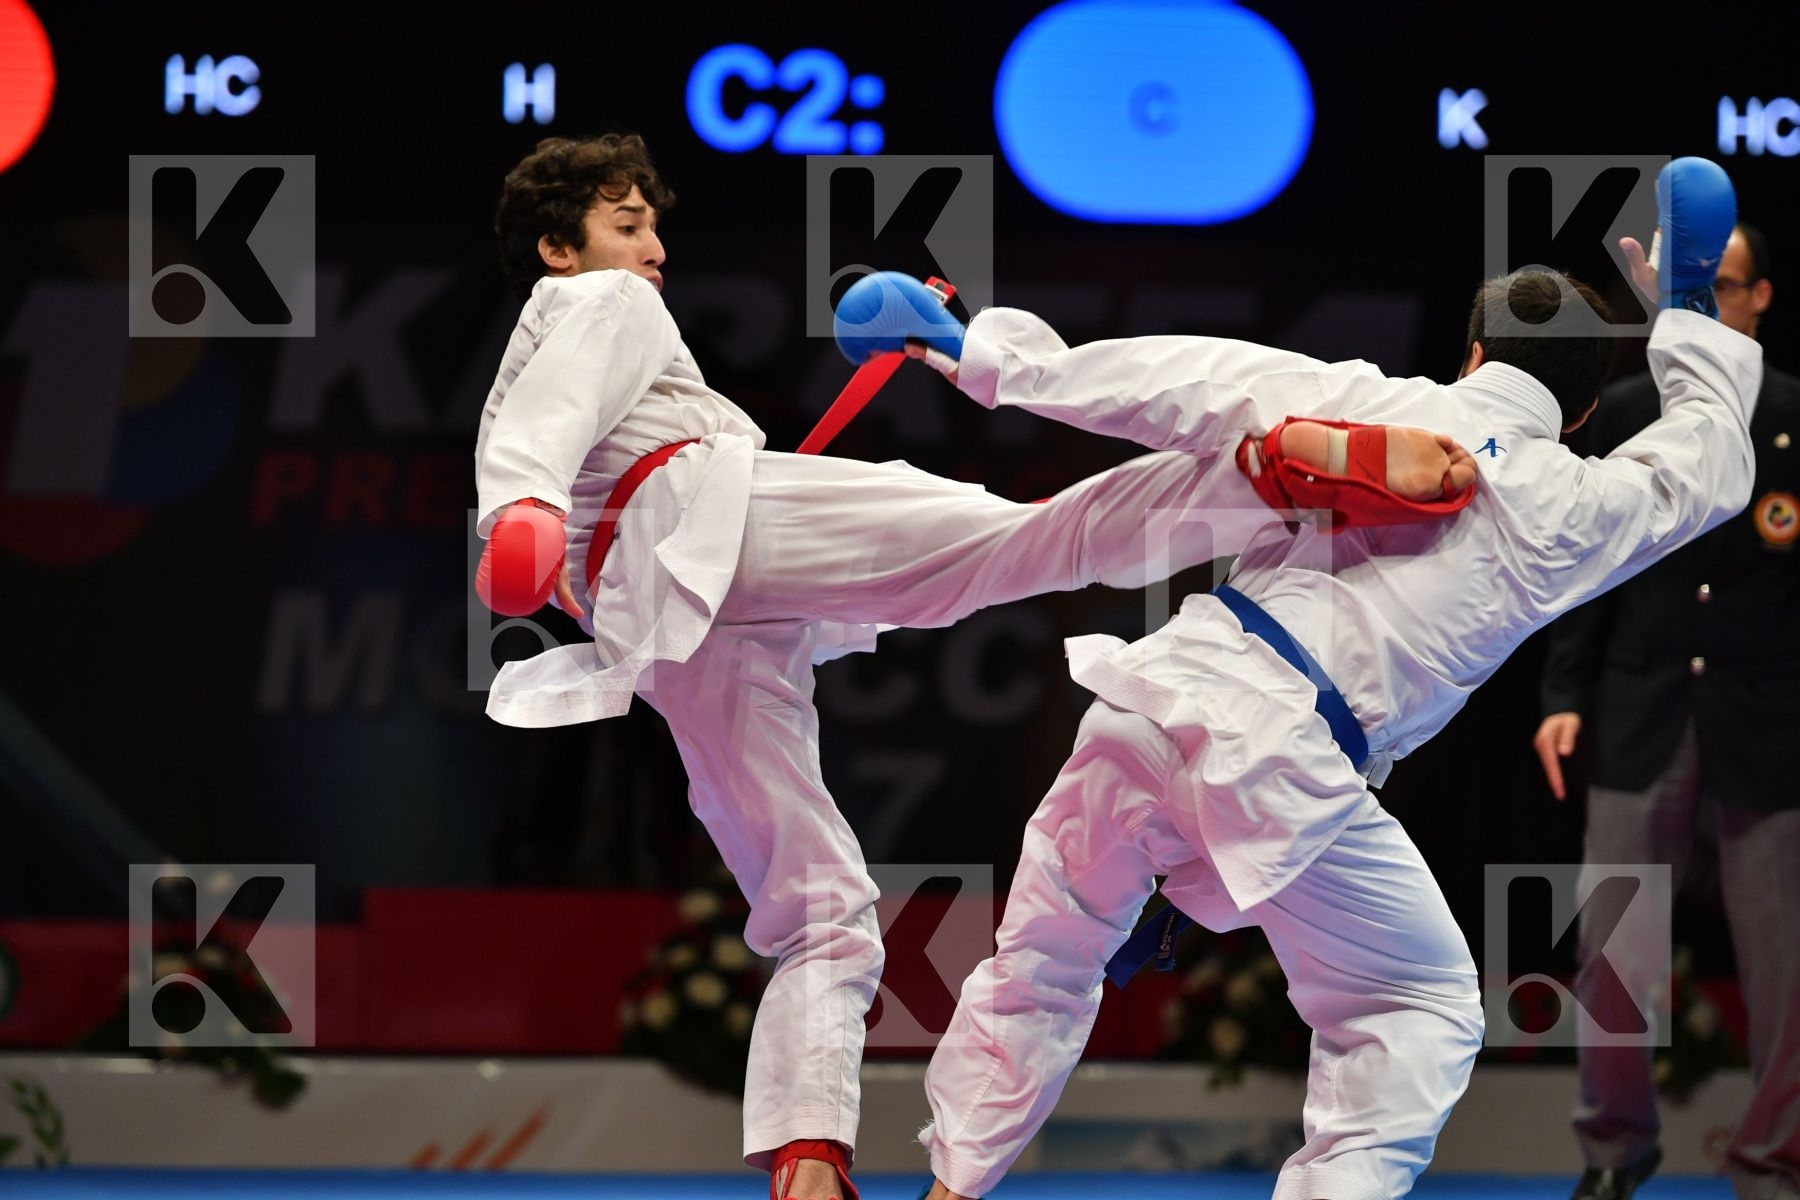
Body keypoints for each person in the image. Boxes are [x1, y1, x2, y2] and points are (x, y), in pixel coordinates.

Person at [471, 134, 1470, 1200]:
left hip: (663, 612)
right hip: (705, 520)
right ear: (556, 247)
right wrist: (520, 508)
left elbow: (546, 429)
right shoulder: (593, 303)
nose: (655, 249)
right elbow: (546, 421)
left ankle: (808, 1157)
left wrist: (528, 520)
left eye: (656, 226)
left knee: (814, 903)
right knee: (1025, 542)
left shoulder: (551, 345)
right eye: (629, 226)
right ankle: (1275, 472)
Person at [898, 159, 1758, 1200]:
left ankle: (948, 1189)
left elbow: (1183, 382)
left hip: (1154, 697)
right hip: (1287, 759)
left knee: (1042, 962)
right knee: (1418, 1005)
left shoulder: (1374, 400)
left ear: (1474, 355)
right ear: (1581, 415)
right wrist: (1686, 311)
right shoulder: (1573, 503)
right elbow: (1706, 465)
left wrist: (982, 355)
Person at [1534, 222, 1799, 1200]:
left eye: (1723, 288)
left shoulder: (1794, 418)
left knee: (1787, 973)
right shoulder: (1629, 411)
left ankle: (1776, 1159)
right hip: (1640, 712)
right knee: (1613, 957)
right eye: (1692, 290)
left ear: (1760, 298)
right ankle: (1613, 1148)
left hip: (1770, 728)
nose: (1708, 307)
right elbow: (1583, 565)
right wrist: (1562, 697)